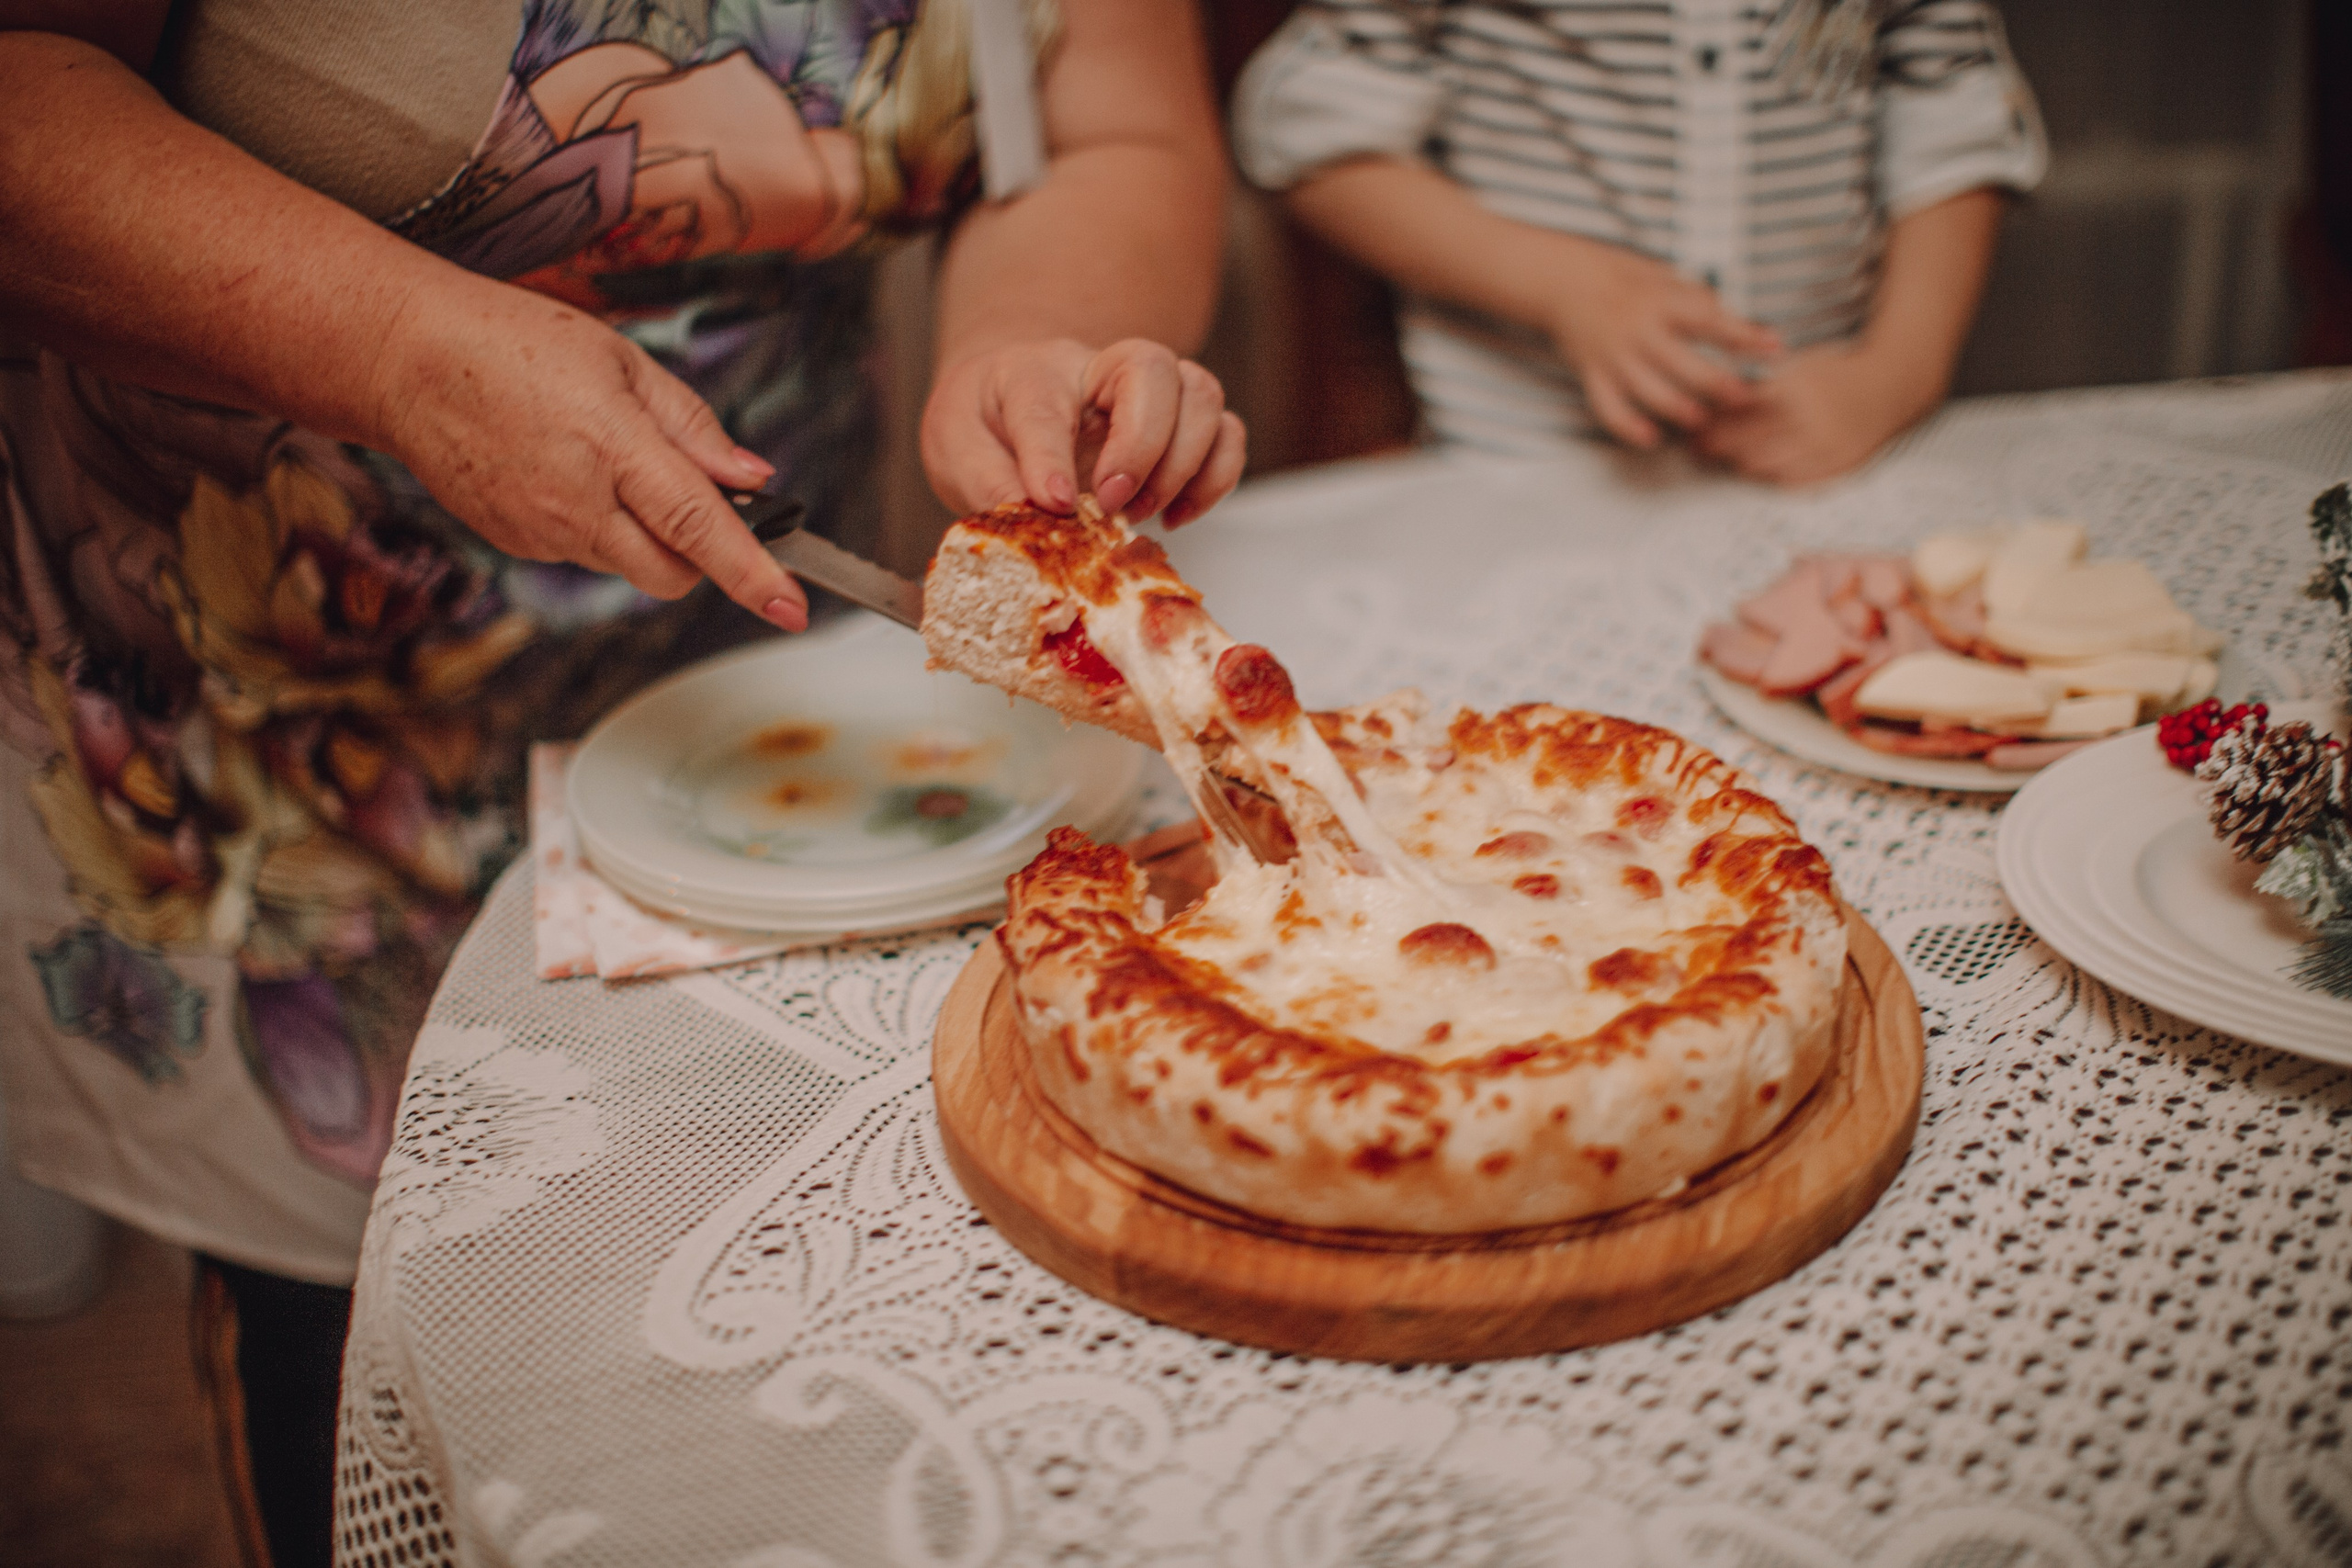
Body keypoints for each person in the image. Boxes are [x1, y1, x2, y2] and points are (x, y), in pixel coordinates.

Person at [0, 2, 1240, 1561]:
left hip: (795, 739)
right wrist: (392, 344)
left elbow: (1111, 125)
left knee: (781, 1347)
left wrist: (1028, 344)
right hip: (290, 744)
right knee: (385, 1364)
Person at [1231, 0, 2045, 484]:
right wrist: (1561, 286)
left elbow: (1951, 102)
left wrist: (1898, 372)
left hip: (1830, 447)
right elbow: (1312, 138)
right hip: (1520, 463)